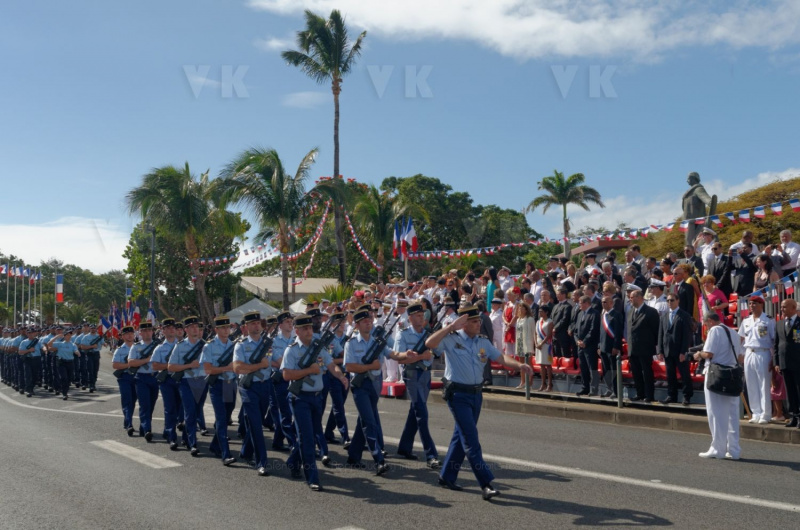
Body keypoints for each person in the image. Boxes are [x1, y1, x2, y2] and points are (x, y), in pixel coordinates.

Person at [426, 305, 534, 501]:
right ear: (464, 323)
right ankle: (485, 483)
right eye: (474, 321)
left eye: (479, 321)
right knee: (471, 440)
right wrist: (451, 327)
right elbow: (429, 343)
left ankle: (446, 476)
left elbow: (500, 357)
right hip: (457, 394)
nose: (479, 324)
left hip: (476, 394)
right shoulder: (451, 339)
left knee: (461, 437)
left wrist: (520, 365)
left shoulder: (482, 342)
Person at [344, 308, 420, 474]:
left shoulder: (377, 342)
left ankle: (353, 456)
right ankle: (378, 459)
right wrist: (369, 366)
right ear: (357, 324)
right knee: (370, 422)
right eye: (364, 321)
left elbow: (393, 354)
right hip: (360, 386)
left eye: (370, 320)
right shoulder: (351, 343)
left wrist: (405, 355)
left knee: (364, 421)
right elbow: (349, 366)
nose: (368, 323)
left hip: (375, 384)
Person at [282, 314, 349, 491]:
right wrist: (307, 371)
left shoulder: (318, 347)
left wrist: (340, 375)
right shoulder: (292, 350)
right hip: (300, 398)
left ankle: (293, 461)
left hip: (316, 397)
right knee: (307, 438)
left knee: (309, 435)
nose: (308, 331)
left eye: (310, 328)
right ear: (297, 331)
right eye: (304, 328)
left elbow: (330, 364)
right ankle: (312, 476)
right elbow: (287, 375)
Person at [396, 303, 441, 469]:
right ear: (410, 318)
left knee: (415, 411)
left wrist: (426, 356)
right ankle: (431, 454)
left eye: (422, 315)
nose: (420, 318)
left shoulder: (429, 335)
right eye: (417, 316)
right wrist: (421, 356)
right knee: (421, 413)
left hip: (425, 375)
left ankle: (404, 447)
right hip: (412, 375)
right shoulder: (403, 335)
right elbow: (400, 358)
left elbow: (434, 354)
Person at [694, 312, 743, 459]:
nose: (705, 327)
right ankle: (734, 450)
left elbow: (709, 353)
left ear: (709, 321)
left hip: (717, 374)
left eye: (705, 324)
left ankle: (717, 448)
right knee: (732, 415)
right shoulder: (733, 332)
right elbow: (740, 357)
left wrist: (698, 354)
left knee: (715, 413)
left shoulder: (715, 330)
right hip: (732, 375)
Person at [233, 311, 273, 476]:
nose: (256, 325)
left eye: (258, 323)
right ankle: (261, 462)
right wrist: (259, 366)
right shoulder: (240, 345)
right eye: (253, 324)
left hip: (266, 385)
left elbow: (276, 361)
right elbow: (237, 368)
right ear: (246, 327)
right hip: (249, 388)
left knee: (256, 421)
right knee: (256, 424)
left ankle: (245, 451)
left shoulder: (268, 343)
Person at [168, 315, 208, 457]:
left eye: (196, 326)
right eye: (191, 327)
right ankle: (193, 443)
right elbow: (171, 366)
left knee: (196, 412)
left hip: (202, 381)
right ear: (186, 330)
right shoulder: (180, 346)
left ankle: (186, 436)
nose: (194, 329)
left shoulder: (205, 345)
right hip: (186, 381)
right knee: (190, 412)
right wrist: (188, 365)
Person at [201, 315, 238, 466]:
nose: (226, 330)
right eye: (222, 327)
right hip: (217, 385)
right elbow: (207, 369)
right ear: (216, 329)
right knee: (221, 419)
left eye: (227, 327)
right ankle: (225, 453)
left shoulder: (235, 345)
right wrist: (226, 368)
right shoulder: (209, 346)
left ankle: (214, 445)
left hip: (230, 384)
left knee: (226, 415)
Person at [738, 295, 776, 424]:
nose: (752, 306)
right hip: (749, 352)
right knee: (751, 383)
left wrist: (773, 357)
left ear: (761, 305)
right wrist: (740, 353)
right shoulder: (746, 320)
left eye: (755, 303)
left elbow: (773, 340)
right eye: (750, 304)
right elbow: (741, 338)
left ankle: (766, 414)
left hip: (763, 352)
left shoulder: (768, 320)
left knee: (764, 384)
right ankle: (756, 412)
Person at [150, 318, 185, 450]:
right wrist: (171, 366)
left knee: (181, 409)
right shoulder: (159, 348)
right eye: (168, 328)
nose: (171, 330)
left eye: (173, 327)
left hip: (181, 379)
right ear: (163, 330)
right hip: (167, 381)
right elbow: (154, 365)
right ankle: (172, 436)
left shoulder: (183, 345)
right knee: (170, 408)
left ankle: (168, 429)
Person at [657, 295, 693, 405]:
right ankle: (671, 395)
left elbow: (687, 335)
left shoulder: (684, 315)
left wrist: (683, 351)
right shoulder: (664, 316)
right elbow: (661, 334)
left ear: (678, 300)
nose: (669, 302)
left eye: (672, 300)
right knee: (670, 374)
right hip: (668, 350)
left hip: (679, 351)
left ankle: (687, 396)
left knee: (684, 374)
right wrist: (660, 350)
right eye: (667, 300)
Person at [127, 322, 160, 442]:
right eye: (144, 331)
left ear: (152, 332)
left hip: (155, 377)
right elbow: (131, 362)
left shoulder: (158, 346)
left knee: (151, 404)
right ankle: (147, 429)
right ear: (140, 333)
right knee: (144, 404)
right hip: (141, 378)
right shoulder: (136, 347)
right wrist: (146, 360)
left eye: (149, 330)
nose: (147, 333)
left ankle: (143, 426)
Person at [626, 286, 660, 403]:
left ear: (640, 298)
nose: (630, 299)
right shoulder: (630, 312)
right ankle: (640, 393)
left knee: (647, 373)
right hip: (633, 348)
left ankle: (649, 395)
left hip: (645, 348)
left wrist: (655, 347)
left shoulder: (651, 312)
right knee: (636, 373)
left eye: (632, 297)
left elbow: (656, 331)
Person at [774, 298, 800, 428]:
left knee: (798, 389)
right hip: (784, 362)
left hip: (798, 362)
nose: (782, 309)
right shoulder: (779, 324)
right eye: (782, 307)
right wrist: (777, 362)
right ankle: (793, 416)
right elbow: (777, 345)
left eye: (785, 307)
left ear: (793, 308)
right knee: (789, 391)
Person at [110, 326, 138, 432]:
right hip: (125, 377)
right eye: (127, 334)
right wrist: (130, 364)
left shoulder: (139, 348)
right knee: (127, 400)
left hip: (137, 377)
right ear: (122, 336)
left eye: (131, 333)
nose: (130, 335)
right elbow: (115, 365)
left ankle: (127, 421)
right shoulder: (120, 350)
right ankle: (129, 423)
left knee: (133, 400)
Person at [682, 171, 715, 246]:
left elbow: (705, 198)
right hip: (689, 222)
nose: (687, 181)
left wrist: (711, 203)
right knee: (689, 243)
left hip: (698, 222)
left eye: (688, 179)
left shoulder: (698, 189)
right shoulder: (689, 193)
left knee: (699, 241)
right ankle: (691, 255)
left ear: (694, 178)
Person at [514, 302, 536, 390]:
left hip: (527, 344)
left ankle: (530, 383)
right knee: (521, 364)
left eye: (522, 308)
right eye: (519, 308)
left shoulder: (530, 319)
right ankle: (522, 382)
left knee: (529, 364)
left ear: (526, 310)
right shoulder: (519, 319)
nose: (521, 310)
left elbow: (533, 332)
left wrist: (534, 344)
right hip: (519, 344)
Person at [534, 305, 554, 392]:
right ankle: (543, 383)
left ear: (546, 312)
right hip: (538, 344)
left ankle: (549, 384)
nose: (540, 313)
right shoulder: (538, 322)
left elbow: (549, 334)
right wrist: (536, 343)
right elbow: (535, 333)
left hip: (546, 344)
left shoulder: (550, 322)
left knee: (547, 364)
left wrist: (542, 343)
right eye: (539, 311)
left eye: (541, 311)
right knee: (541, 365)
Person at [551, 286, 573, 358]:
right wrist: (551, 327)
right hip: (555, 335)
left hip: (563, 335)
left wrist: (555, 328)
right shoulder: (555, 306)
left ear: (564, 295)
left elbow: (564, 319)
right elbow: (551, 318)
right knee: (557, 355)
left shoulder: (567, 306)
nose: (557, 295)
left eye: (558, 294)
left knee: (564, 355)